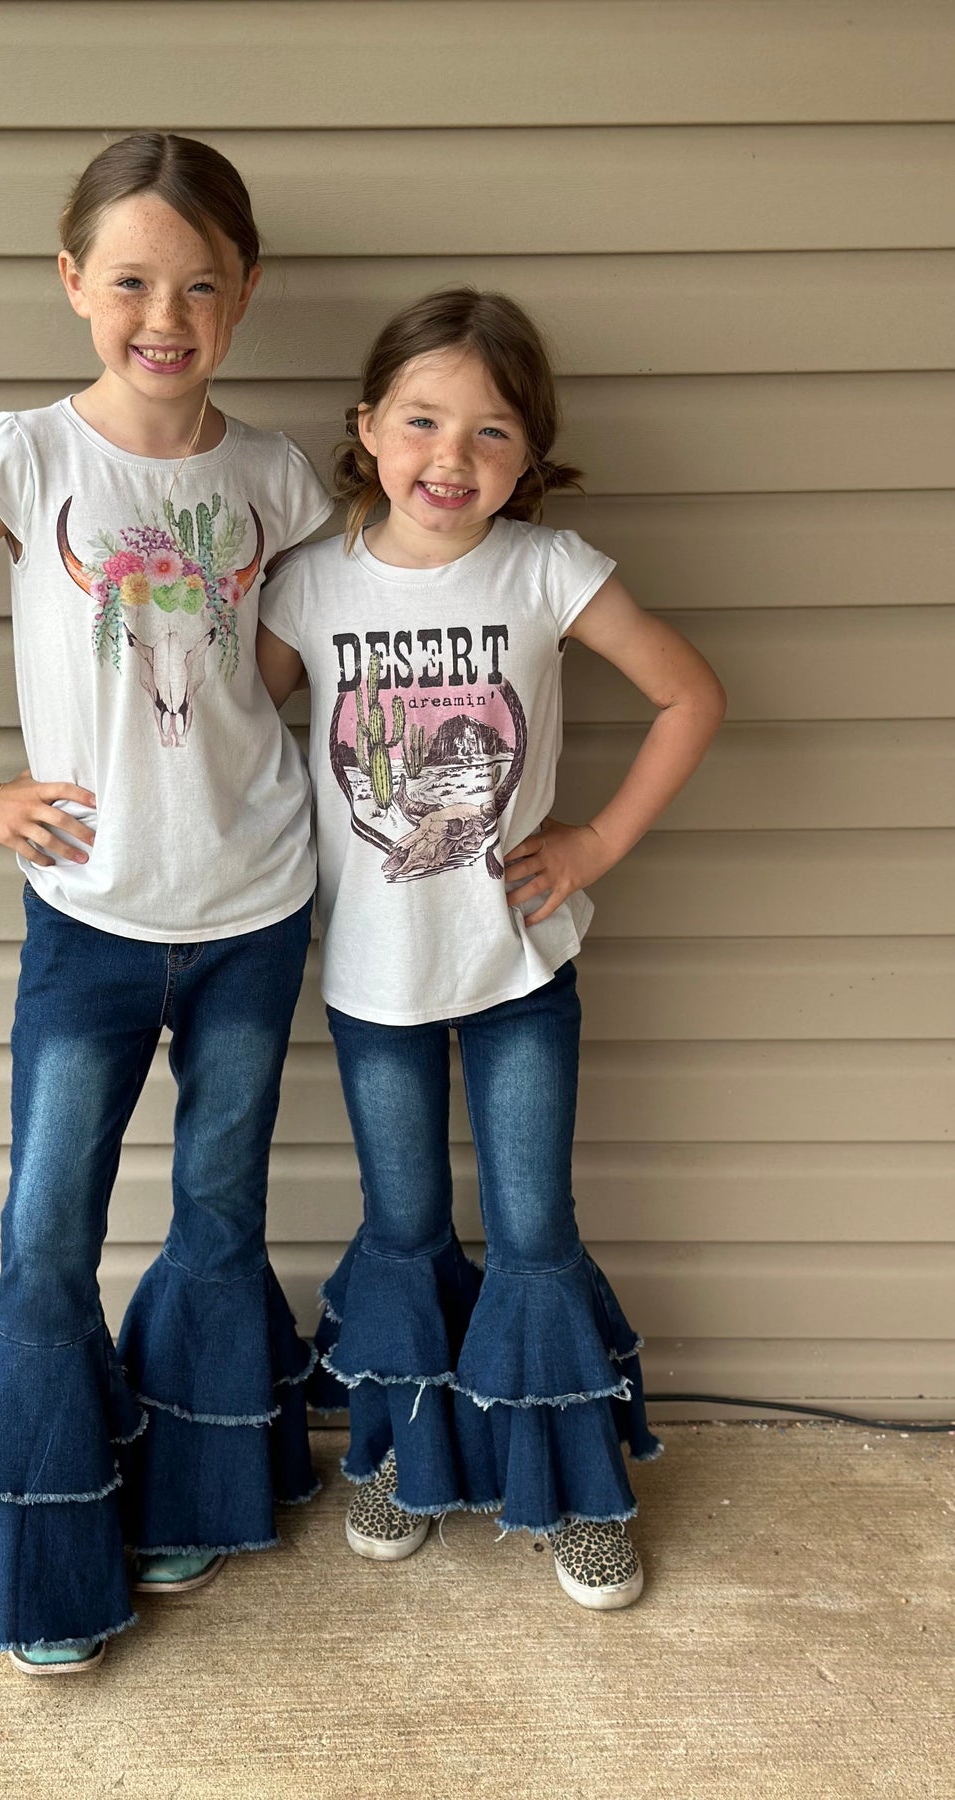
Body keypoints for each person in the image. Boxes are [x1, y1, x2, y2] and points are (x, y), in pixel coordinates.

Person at [0, 132, 333, 1672]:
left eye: (198, 286)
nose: (162, 317)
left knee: (217, 1210)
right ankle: (46, 1553)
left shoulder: (276, 479)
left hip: (256, 907)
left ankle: (195, 1494)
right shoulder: (26, 456)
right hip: (88, 922)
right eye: (128, 282)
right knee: (46, 1228)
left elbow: (294, 658)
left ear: (245, 288)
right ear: (72, 282)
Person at [257, 287, 726, 1610]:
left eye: (491, 432)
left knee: (532, 1230)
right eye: (421, 421)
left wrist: (596, 842)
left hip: (520, 968)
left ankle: (573, 1488)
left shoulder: (547, 569)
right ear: (367, 429)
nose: (449, 457)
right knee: (402, 1227)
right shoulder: (309, 585)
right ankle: (406, 1457)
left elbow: (689, 694)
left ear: (530, 457)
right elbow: (226, 736)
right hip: (372, 977)